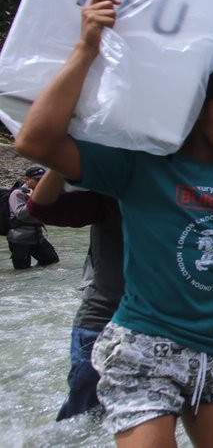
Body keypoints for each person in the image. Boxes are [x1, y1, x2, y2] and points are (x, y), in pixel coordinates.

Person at [14, 0, 213, 447]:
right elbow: (36, 142)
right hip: (143, 351)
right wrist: (87, 47)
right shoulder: (141, 163)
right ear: (198, 108)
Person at [27, 169, 123, 421]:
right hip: (103, 319)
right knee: (83, 416)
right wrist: (60, 159)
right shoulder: (113, 188)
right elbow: (41, 207)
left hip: (166, 325)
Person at [6, 165, 59, 269]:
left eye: (42, 180)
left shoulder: (43, 193)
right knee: (22, 271)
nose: (41, 183)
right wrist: (34, 200)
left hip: (37, 237)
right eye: (37, 180)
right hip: (19, 239)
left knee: (51, 260)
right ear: (27, 180)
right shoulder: (17, 193)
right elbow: (20, 214)